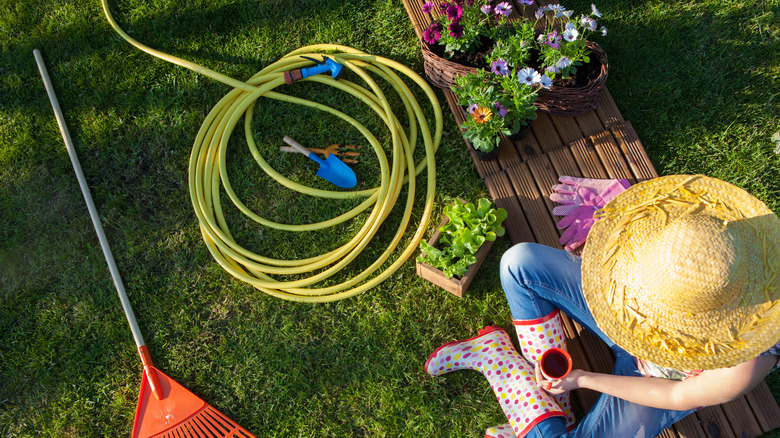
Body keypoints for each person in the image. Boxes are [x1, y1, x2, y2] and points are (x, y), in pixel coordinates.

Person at [424, 174, 780, 438]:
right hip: (623, 313)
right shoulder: (720, 242)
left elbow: (677, 394)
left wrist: (583, 378)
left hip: (653, 380)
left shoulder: (748, 358)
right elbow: (652, 227)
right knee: (519, 262)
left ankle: (497, 361)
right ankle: (547, 407)